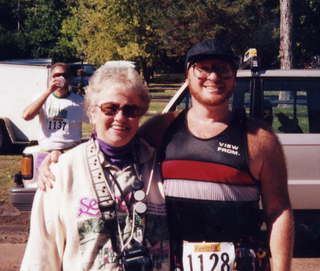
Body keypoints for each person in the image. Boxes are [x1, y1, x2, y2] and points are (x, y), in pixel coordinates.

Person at [39, 40, 294, 271]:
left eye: (223, 69)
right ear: (187, 75)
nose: (213, 76)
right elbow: (112, 143)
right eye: (203, 68)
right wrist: (60, 158)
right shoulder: (160, 130)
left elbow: (278, 211)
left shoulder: (260, 140)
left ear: (234, 77)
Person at [20, 62, 170, 270]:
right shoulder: (62, 172)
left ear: (140, 114)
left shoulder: (160, 166)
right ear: (92, 112)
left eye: (130, 110)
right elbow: (41, 256)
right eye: (110, 108)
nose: (120, 117)